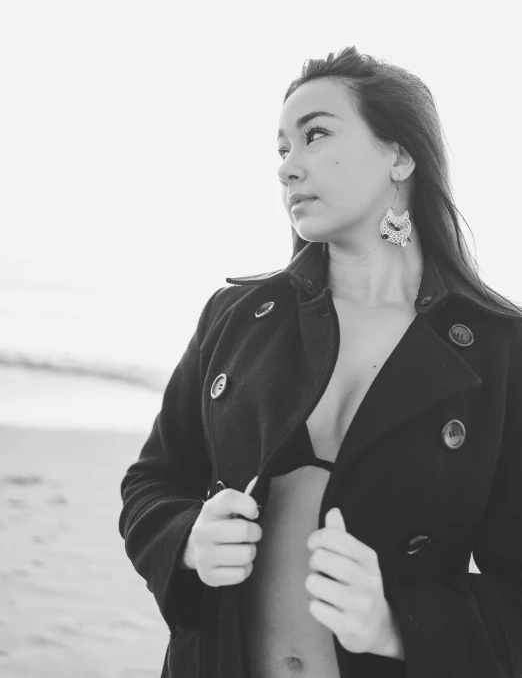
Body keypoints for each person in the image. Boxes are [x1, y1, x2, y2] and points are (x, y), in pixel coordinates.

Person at [119, 45, 522, 678]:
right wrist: (187, 541)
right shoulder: (235, 315)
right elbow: (152, 482)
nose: (288, 168)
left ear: (401, 154)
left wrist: (399, 627)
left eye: (315, 136)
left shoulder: (503, 351)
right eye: (282, 149)